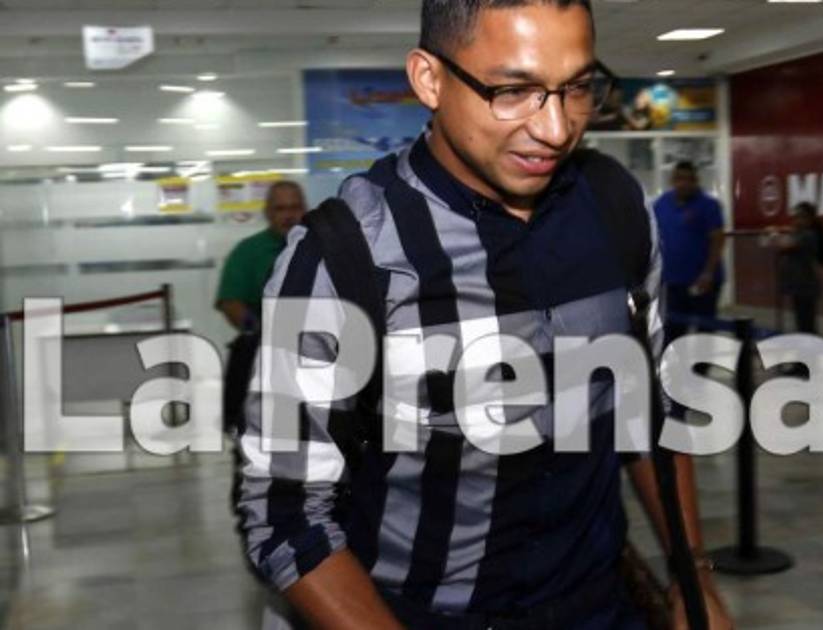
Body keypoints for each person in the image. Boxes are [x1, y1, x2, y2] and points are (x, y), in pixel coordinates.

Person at [234, 2, 732, 629]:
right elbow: (285, 515)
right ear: (429, 79)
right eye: (513, 91)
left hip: (603, 605)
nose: (556, 128)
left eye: (577, 88)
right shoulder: (343, 255)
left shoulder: (616, 206)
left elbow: (651, 414)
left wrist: (693, 578)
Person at [214, 180, 306, 433]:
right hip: (263, 341)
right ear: (267, 213)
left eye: (295, 207)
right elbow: (231, 303)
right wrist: (260, 331)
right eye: (280, 208)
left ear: (305, 210)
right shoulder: (248, 252)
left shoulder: (322, 248)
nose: (288, 215)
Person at [654, 160, 726, 342]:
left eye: (688, 179)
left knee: (704, 334)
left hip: (702, 283)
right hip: (673, 281)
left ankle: (702, 362)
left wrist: (708, 273)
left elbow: (717, 240)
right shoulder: (662, 204)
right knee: (674, 332)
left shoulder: (709, 205)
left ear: (696, 181)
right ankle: (674, 361)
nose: (683, 183)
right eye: (679, 179)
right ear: (672, 180)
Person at [775, 202, 823, 335]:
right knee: (802, 322)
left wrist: (774, 234)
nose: (796, 220)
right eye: (795, 217)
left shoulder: (808, 236)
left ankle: (812, 346)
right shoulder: (801, 234)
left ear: (809, 219)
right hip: (800, 286)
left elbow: (785, 245)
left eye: (800, 217)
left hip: (806, 286)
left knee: (806, 325)